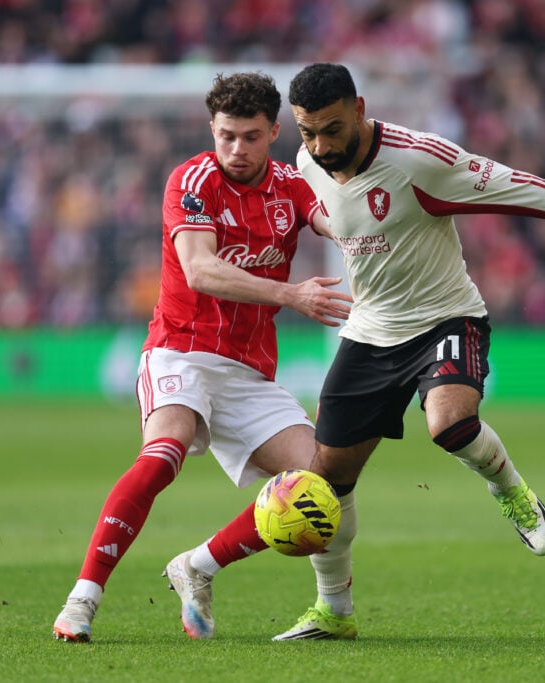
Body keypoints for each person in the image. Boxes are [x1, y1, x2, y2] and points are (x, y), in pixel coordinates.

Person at [268, 62, 545, 639]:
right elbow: (332, 217)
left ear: (359, 108)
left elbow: (522, 187)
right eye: (307, 132)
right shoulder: (307, 164)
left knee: (448, 423)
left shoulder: (420, 159)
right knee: (327, 481)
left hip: (446, 317)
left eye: (331, 129)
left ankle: (512, 491)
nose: (321, 145)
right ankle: (334, 611)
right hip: (371, 332)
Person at [52, 71, 355, 642]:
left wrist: (369, 232)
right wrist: (293, 294)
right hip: (181, 351)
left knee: (321, 485)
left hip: (248, 372)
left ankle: (199, 567)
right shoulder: (192, 181)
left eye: (250, 137)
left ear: (273, 133)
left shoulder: (292, 187)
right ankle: (82, 600)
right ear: (212, 130)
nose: (236, 150)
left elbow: (341, 224)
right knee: (162, 455)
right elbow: (200, 269)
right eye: (226, 136)